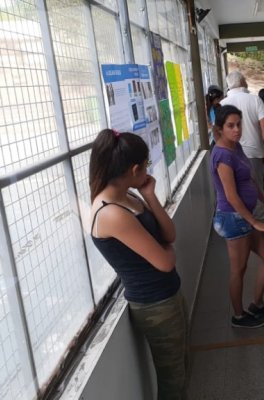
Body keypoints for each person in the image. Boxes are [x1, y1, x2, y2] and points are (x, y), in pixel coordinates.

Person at [89, 129, 187, 400]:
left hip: (167, 295)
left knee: (180, 366)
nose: (148, 171)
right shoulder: (111, 213)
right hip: (154, 305)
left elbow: (170, 235)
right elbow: (166, 261)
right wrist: (167, 250)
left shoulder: (130, 196)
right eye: (146, 166)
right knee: (172, 379)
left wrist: (150, 195)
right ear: (134, 168)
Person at [210, 105, 264, 328]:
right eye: (231, 126)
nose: (237, 129)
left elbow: (251, 180)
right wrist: (255, 221)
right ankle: (238, 316)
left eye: (239, 124)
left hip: (246, 217)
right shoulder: (221, 155)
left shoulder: (236, 147)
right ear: (220, 129)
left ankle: (256, 303)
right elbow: (231, 196)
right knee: (239, 269)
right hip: (233, 219)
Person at [220, 71, 264, 192]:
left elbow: (218, 132)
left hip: (230, 156)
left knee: (236, 191)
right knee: (257, 192)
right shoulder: (255, 100)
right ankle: (259, 211)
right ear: (242, 82)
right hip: (254, 154)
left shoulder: (222, 104)